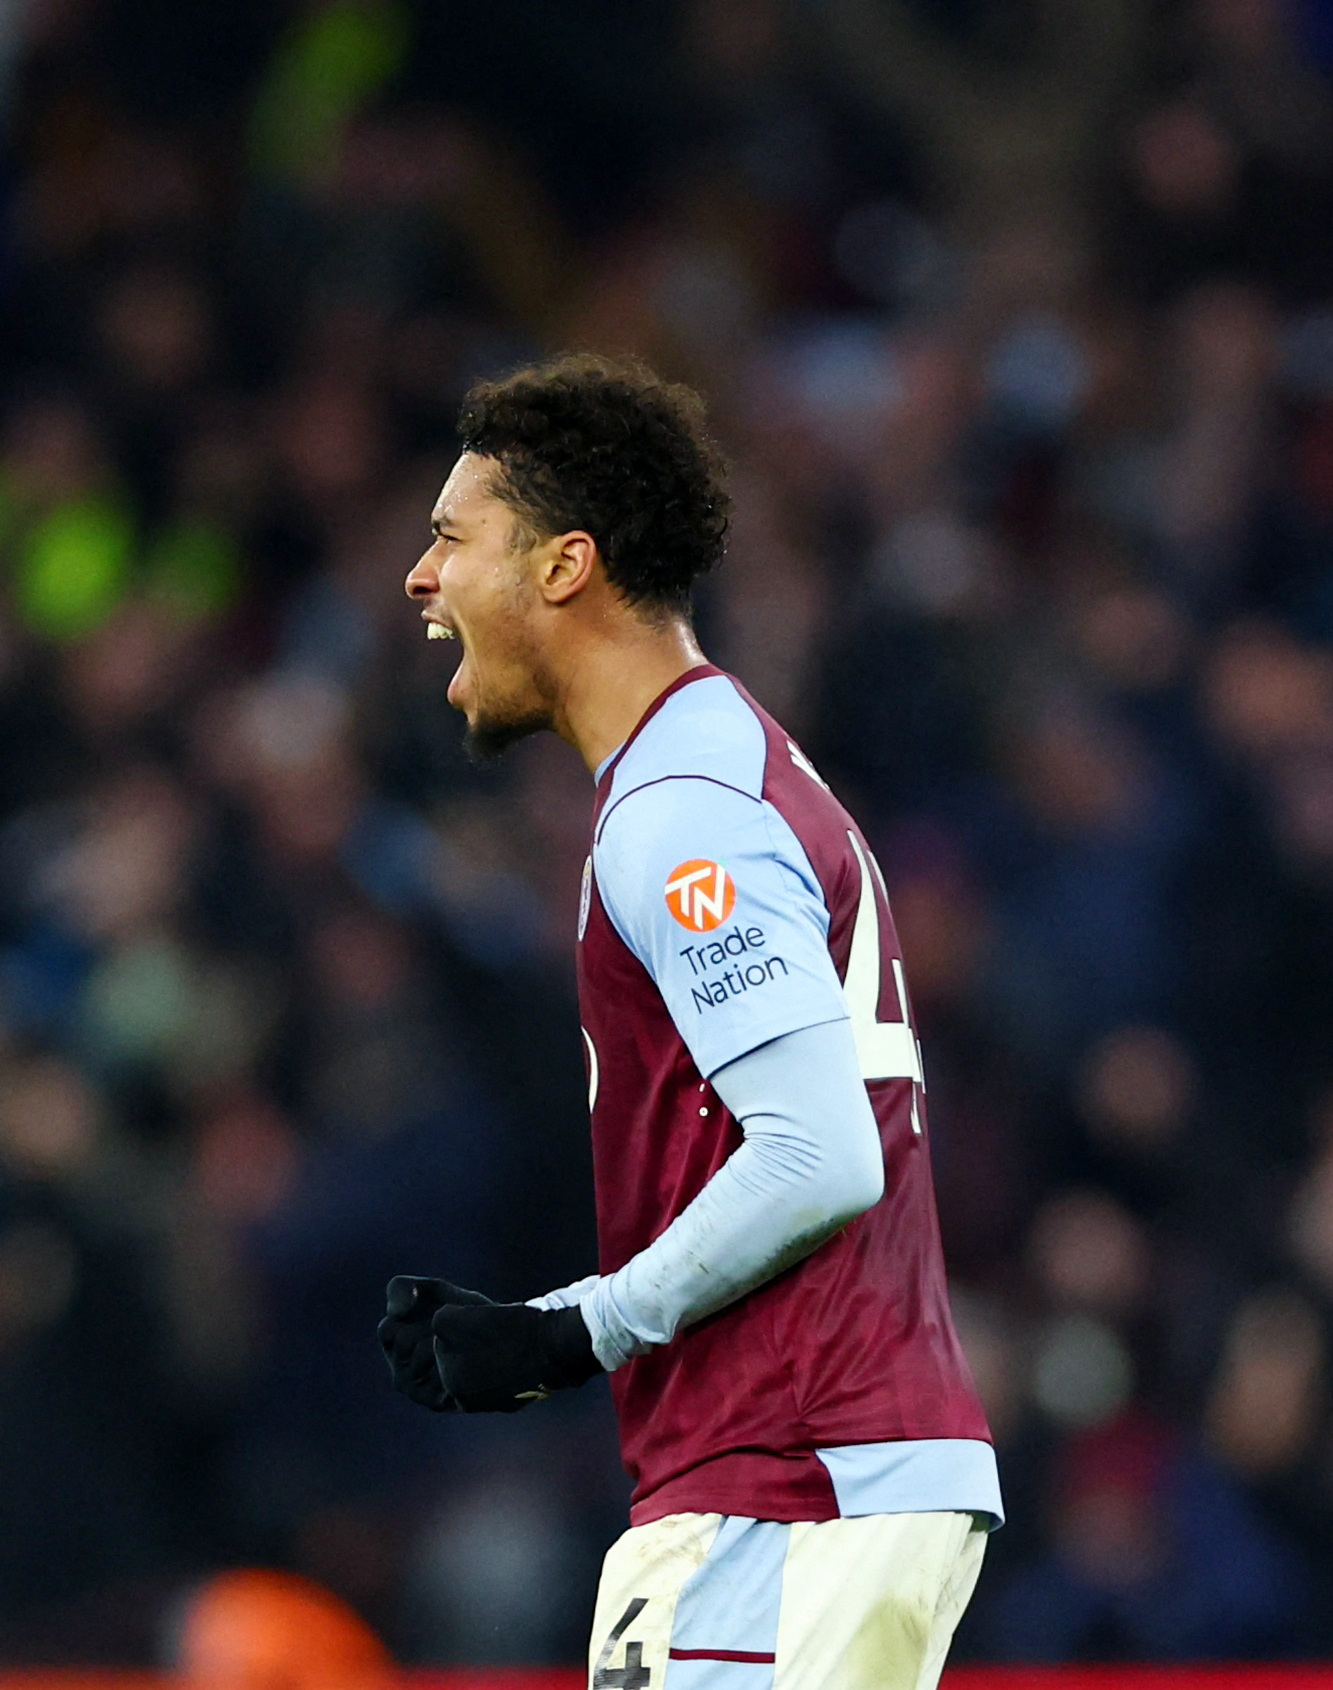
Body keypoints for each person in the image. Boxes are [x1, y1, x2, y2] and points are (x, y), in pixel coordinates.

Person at [377, 355, 999, 1687]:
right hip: (805, 1473)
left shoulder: (686, 814)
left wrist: (569, 1329)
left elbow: (820, 1151)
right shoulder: (717, 769)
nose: (421, 580)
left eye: (449, 538)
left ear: (562, 566)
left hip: (795, 1479)